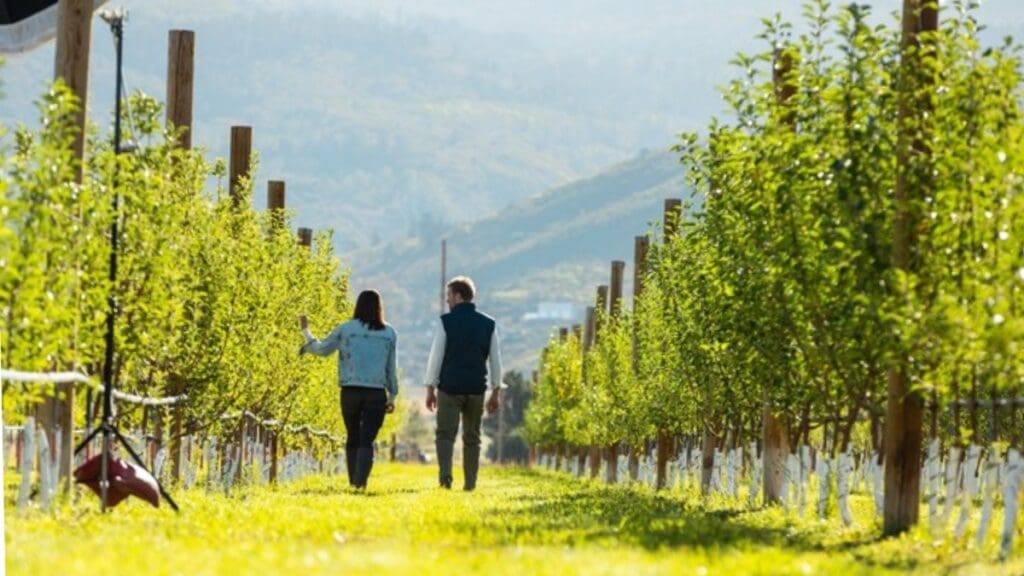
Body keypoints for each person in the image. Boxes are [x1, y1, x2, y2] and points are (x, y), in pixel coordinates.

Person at [300, 290, 398, 489]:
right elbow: (391, 368)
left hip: (350, 391)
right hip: (375, 393)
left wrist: (306, 332)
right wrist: (392, 395)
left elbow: (322, 350)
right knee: (367, 440)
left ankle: (353, 482)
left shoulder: (346, 330)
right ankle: (360, 483)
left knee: (352, 436)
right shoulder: (389, 334)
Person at [424, 276, 503, 491]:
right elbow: (496, 360)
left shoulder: (445, 322)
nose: (447, 301)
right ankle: (470, 483)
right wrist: (496, 391)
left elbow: (436, 357)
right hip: (477, 389)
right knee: (472, 438)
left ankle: (446, 478)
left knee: (445, 435)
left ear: (458, 296)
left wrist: (430, 388)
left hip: (449, 388)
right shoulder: (489, 324)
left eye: (449, 296)